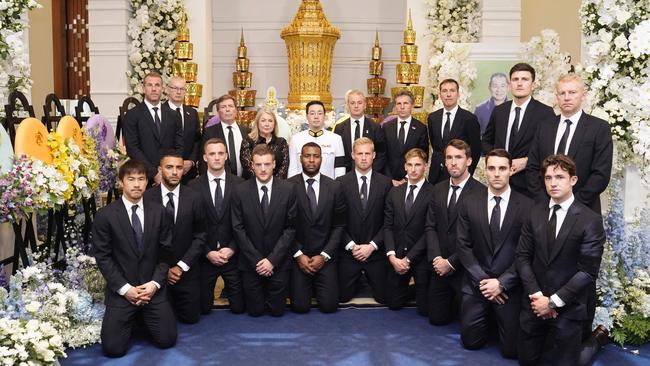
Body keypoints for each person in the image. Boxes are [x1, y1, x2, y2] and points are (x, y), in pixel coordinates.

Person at [517, 154, 608, 366]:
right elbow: (522, 257)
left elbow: (587, 272)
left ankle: (597, 339)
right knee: (525, 361)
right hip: (535, 302)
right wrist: (538, 298)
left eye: (559, 177)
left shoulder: (590, 220)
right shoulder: (533, 212)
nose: (553, 183)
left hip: (568, 306)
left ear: (573, 180)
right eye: (548, 178)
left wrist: (553, 302)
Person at [93, 160, 176, 357]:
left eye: (141, 179)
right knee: (113, 349)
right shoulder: (105, 216)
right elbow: (103, 258)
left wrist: (155, 283)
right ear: (121, 182)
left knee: (167, 340)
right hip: (123, 290)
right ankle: (135, 318)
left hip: (151, 289)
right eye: (131, 179)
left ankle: (142, 319)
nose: (137, 184)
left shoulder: (159, 212)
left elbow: (166, 253)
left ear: (147, 182)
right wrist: (125, 289)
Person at [456, 149, 532, 359]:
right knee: (470, 343)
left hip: (509, 287)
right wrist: (484, 282)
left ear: (511, 170)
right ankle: (489, 319)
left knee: (511, 351)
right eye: (491, 168)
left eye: (502, 168)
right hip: (476, 283)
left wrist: (501, 283)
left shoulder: (526, 206)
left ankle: (497, 320)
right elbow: (462, 246)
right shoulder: (469, 201)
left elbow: (526, 252)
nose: (496, 174)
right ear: (485, 171)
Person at [526, 73, 613, 214]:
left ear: (583, 95)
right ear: (557, 97)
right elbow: (532, 167)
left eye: (572, 92)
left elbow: (601, 174)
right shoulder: (544, 127)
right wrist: (544, 201)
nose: (567, 97)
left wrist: (572, 204)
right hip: (545, 209)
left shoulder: (599, 128)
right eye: (562, 93)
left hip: (584, 210)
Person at [232, 144, 297, 316]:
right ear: (252, 165)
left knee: (277, 312)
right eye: (258, 164)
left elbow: (290, 229)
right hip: (250, 263)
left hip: (279, 262)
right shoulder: (240, 191)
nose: (263, 169)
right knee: (255, 311)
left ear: (274, 164)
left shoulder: (288, 190)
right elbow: (238, 229)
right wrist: (257, 261)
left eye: (267, 164)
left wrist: (272, 260)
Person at [426, 139, 484, 326]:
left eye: (458, 157)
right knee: (436, 318)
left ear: (468, 161)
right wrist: (437, 259)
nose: (453, 162)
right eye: (449, 157)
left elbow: (477, 238)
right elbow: (430, 227)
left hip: (464, 268)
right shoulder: (437, 189)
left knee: (467, 322)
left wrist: (451, 262)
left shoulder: (481, 193)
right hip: (439, 265)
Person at [143, 152, 206, 324]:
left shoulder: (194, 197)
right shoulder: (146, 198)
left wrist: (180, 267)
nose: (174, 172)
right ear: (159, 169)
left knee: (191, 319)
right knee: (161, 320)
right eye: (169, 167)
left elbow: (201, 236)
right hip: (155, 274)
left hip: (186, 272)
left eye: (179, 168)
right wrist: (164, 270)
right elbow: (145, 241)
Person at [189, 138, 246, 315]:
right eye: (212, 154)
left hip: (233, 256)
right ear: (205, 158)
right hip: (206, 256)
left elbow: (245, 222)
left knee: (240, 308)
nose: (216, 158)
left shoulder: (240, 184)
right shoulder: (193, 187)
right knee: (203, 309)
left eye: (220, 153)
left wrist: (232, 249)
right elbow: (190, 226)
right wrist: (207, 252)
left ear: (226, 156)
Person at [482, 63, 555, 198]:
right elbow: (486, 141)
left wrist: (527, 161)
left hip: (530, 186)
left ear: (533, 85)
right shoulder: (499, 111)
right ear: (510, 85)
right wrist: (496, 160)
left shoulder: (545, 113)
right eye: (515, 80)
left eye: (524, 79)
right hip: (500, 184)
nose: (519, 83)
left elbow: (550, 150)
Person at [288, 142, 346, 313]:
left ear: (321, 159)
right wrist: (298, 255)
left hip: (325, 256)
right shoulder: (288, 186)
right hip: (299, 257)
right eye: (307, 156)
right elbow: (284, 226)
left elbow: (339, 225)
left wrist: (325, 255)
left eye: (316, 156)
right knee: (300, 307)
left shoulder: (335, 187)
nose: (311, 160)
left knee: (329, 306)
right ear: (300, 159)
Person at [337, 138, 392, 304]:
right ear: (352, 155)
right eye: (359, 153)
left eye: (367, 153)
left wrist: (372, 246)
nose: (363, 157)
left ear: (374, 155)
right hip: (349, 252)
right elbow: (337, 222)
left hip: (375, 252)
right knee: (341, 297)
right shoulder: (340, 183)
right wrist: (352, 246)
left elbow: (389, 221)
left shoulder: (385, 183)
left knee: (385, 298)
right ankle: (357, 280)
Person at [384, 148, 435, 315]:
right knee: (393, 303)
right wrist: (392, 256)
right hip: (397, 255)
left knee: (424, 309)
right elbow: (388, 226)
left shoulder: (433, 193)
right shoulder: (395, 192)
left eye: (418, 165)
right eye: (410, 165)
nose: (413, 169)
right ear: (405, 166)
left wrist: (408, 259)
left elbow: (430, 231)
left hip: (420, 257)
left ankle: (422, 289)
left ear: (425, 166)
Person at [124, 72, 183, 185]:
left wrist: (169, 170)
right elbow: (132, 148)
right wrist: (154, 173)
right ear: (143, 88)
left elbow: (179, 145)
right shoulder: (132, 115)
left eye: (157, 85)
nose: (154, 89)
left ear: (163, 89)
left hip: (170, 177)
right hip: (144, 177)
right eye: (150, 85)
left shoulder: (174, 115)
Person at [427, 79, 481, 184]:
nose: (448, 94)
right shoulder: (433, 118)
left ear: (458, 94)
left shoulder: (469, 119)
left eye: (452, 90)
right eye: (444, 91)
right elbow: (435, 145)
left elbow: (475, 150)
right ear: (440, 94)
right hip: (436, 175)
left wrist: (467, 173)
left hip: (459, 175)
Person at [288, 100, 346, 179]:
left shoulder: (336, 139)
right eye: (312, 113)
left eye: (320, 113)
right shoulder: (296, 139)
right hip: (301, 188)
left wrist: (338, 188)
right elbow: (293, 169)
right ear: (307, 116)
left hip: (329, 188)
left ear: (324, 116)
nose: (316, 116)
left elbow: (340, 169)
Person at [382, 90, 429, 186]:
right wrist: (389, 179)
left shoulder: (421, 128)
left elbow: (423, 156)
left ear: (412, 105)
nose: (402, 107)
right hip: (389, 181)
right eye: (399, 103)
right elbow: (382, 155)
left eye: (405, 103)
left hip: (412, 179)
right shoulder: (386, 127)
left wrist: (406, 178)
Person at [333, 89, 386, 173]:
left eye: (359, 103)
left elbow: (381, 154)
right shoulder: (339, 128)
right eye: (352, 103)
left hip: (369, 175)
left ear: (365, 105)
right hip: (345, 176)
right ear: (347, 106)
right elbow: (337, 156)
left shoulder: (375, 127)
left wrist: (370, 172)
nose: (356, 106)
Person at [200, 94, 251, 176]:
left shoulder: (247, 131)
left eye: (230, 106)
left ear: (236, 110)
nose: (227, 109)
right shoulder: (210, 132)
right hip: (220, 182)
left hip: (245, 181)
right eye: (223, 107)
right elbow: (203, 162)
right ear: (218, 112)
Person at [163, 76, 201, 184]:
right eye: (175, 88)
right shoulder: (160, 112)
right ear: (167, 90)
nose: (178, 92)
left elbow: (197, 140)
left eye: (182, 89)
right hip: (166, 170)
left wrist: (191, 161)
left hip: (188, 172)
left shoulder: (192, 113)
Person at [240, 108, 289, 179]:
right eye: (263, 121)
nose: (267, 124)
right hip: (253, 185)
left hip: (277, 186)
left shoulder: (281, 142)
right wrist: (263, 182)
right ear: (257, 123)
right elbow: (248, 167)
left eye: (270, 121)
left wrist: (273, 184)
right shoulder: (248, 141)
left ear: (274, 124)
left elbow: (284, 167)